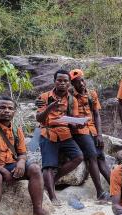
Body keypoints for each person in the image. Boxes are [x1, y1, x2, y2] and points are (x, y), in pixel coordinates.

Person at [35, 69, 84, 206]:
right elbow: (39, 118)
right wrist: (49, 108)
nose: (62, 83)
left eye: (65, 81)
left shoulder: (72, 99)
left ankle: (53, 179)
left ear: (69, 84)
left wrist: (78, 125)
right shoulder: (44, 97)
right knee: (48, 166)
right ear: (54, 81)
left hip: (65, 134)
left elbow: (73, 120)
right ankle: (52, 196)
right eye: (59, 80)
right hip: (48, 133)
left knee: (79, 156)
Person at [69, 69, 111, 201]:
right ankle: (100, 192)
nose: (81, 83)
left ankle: (116, 189)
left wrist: (99, 134)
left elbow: (97, 115)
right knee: (92, 156)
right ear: (72, 84)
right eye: (77, 82)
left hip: (92, 130)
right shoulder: (69, 95)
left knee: (101, 157)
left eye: (82, 80)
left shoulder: (92, 94)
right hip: (79, 131)